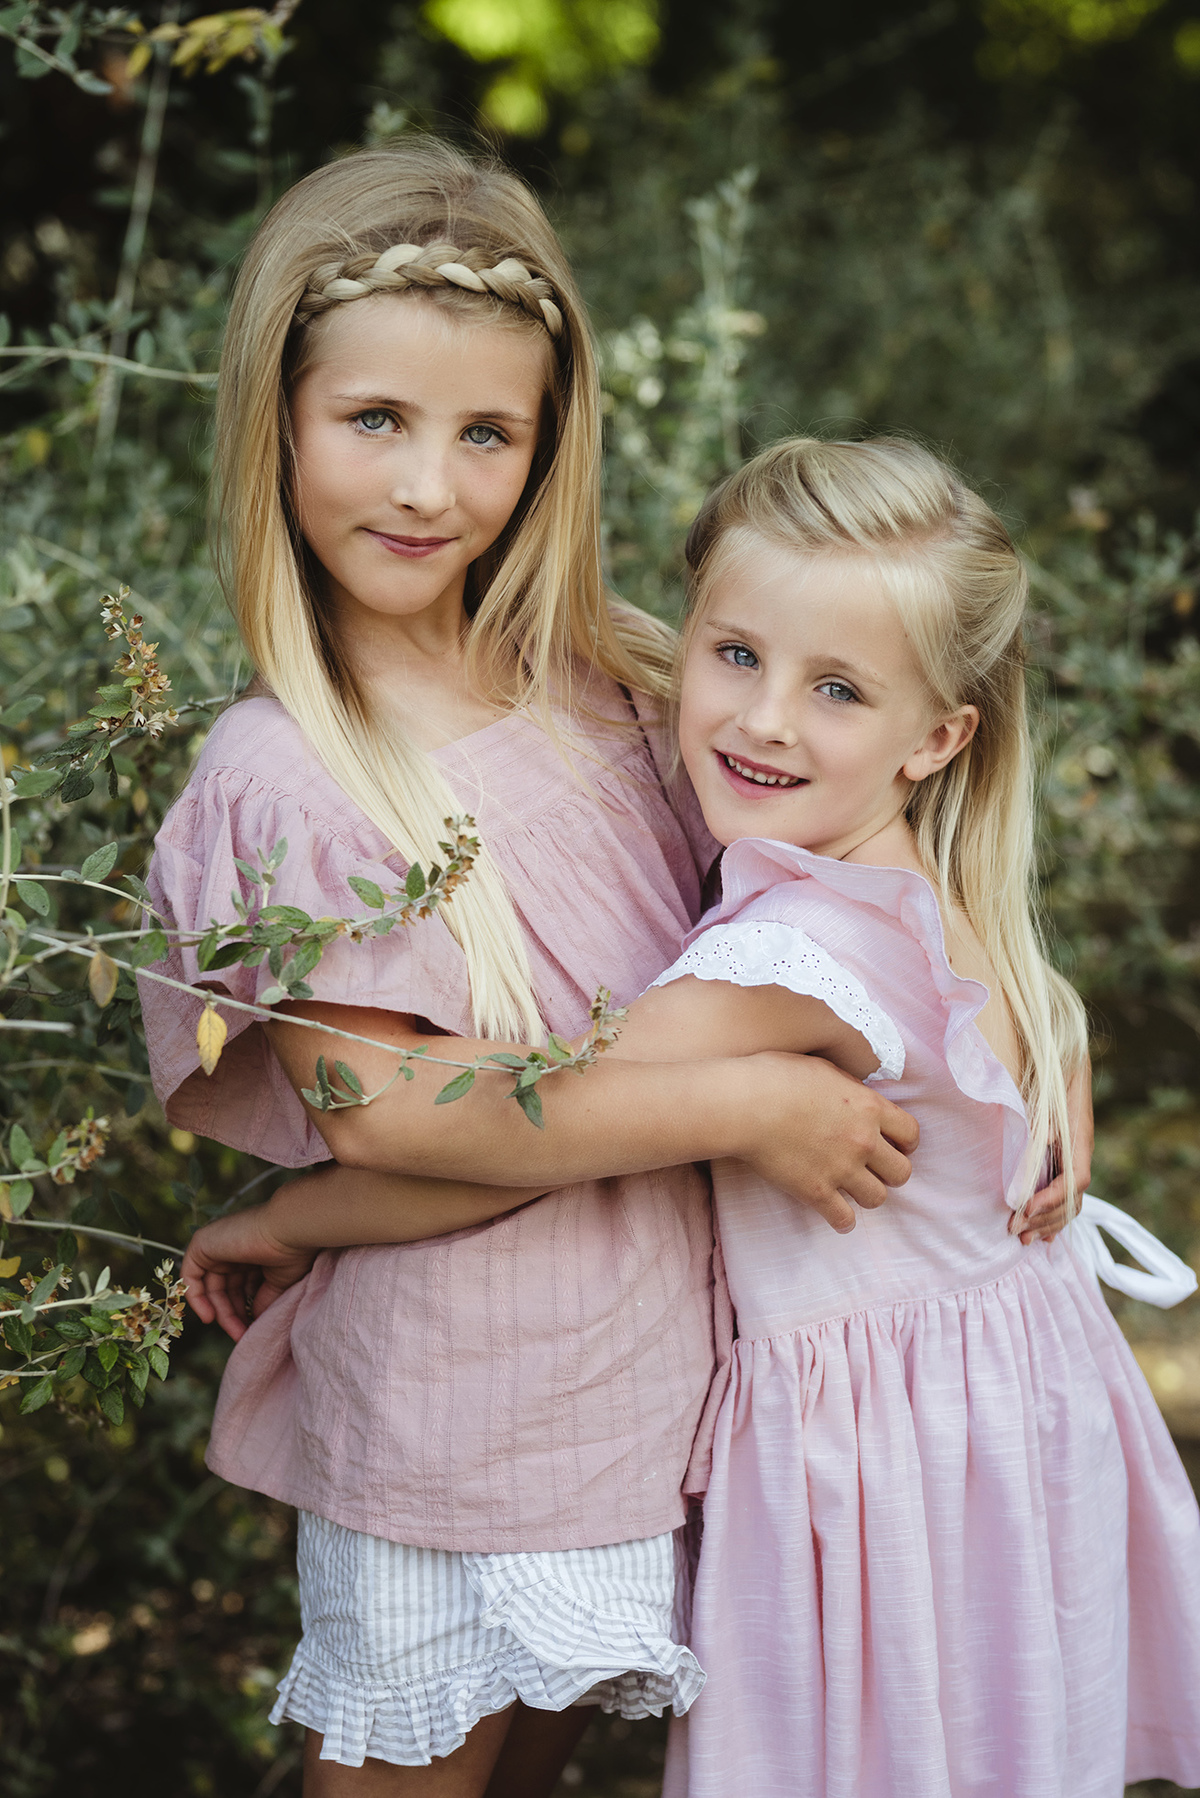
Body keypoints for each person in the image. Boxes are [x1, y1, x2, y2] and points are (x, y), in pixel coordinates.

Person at [144, 142, 925, 1797]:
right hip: (454, 1433)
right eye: (376, 421)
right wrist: (754, 1102)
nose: (430, 486)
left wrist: (1031, 1021)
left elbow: (883, 869)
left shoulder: (628, 688)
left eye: (486, 432)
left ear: (548, 447)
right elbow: (400, 1118)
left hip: (652, 1401)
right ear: (277, 421)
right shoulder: (291, 773)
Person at [620, 435, 1198, 1798]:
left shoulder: (787, 957)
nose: (764, 720)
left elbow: (541, 1114)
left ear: (939, 737)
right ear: (684, 643)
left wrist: (303, 1206)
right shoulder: (939, 900)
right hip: (1008, 1428)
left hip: (887, 1476)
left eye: (837, 689)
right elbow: (1053, 1025)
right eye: (738, 656)